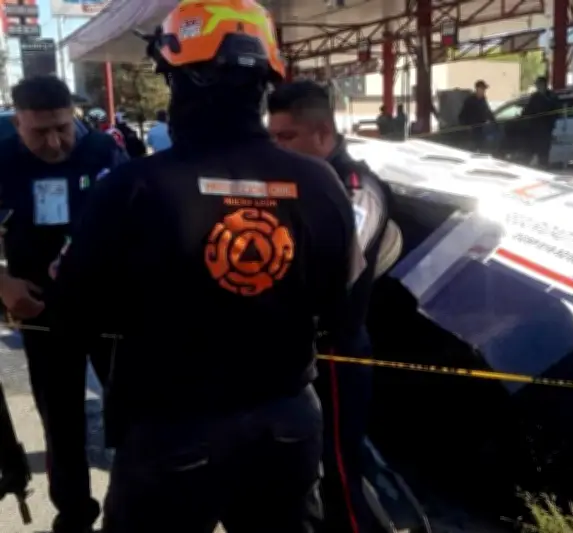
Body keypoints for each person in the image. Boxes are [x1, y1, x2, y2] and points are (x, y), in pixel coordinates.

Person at [49, 1, 368, 531]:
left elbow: (72, 314)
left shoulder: (135, 188)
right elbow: (346, 315)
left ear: (179, 78)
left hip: (171, 433)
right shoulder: (319, 184)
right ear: (266, 77)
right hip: (285, 425)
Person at [0, 75, 128, 533]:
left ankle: (132, 510)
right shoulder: (3, 159)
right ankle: (73, 515)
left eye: (62, 126)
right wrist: (3, 282)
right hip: (40, 311)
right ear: (18, 123)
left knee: (130, 412)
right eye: (40, 132)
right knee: (61, 418)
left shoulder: (103, 151)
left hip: (109, 307)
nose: (55, 141)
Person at [268, 80, 393, 533]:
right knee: (303, 476)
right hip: (294, 354)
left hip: (336, 352)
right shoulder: (291, 182)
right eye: (271, 138)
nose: (275, 148)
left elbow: (337, 266)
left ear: (321, 133)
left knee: (339, 470)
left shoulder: (355, 188)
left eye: (285, 137)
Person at [521, 76, 559, 168]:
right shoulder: (534, 97)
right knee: (530, 150)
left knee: (544, 152)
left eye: (540, 84)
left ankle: (543, 165)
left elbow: (556, 111)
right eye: (537, 85)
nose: (538, 87)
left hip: (546, 129)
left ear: (545, 85)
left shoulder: (552, 96)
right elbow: (526, 111)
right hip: (534, 130)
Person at [458, 80, 495, 152]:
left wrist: (493, 121)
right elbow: (462, 115)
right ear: (477, 89)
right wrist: (466, 126)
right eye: (482, 89)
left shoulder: (483, 99)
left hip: (481, 128)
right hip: (472, 129)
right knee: (472, 148)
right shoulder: (470, 100)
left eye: (484, 89)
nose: (484, 91)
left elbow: (487, 111)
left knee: (481, 146)